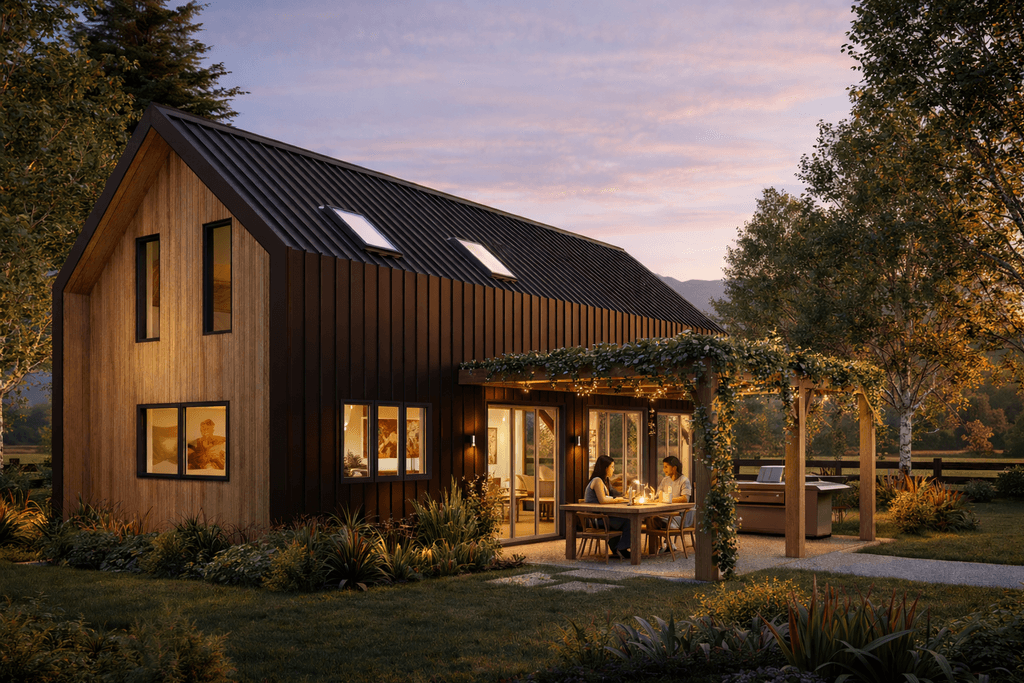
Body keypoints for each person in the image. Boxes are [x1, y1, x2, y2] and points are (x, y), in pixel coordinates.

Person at [584, 455, 631, 559]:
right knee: (629, 520)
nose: (613, 469)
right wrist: (619, 500)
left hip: (603, 517)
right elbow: (603, 500)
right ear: (605, 468)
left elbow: (617, 495)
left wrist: (625, 496)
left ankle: (616, 548)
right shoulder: (597, 481)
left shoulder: (606, 482)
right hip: (597, 519)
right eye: (612, 467)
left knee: (622, 520)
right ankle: (622, 548)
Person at [653, 455, 693, 552]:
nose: (664, 469)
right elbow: (658, 496)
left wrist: (667, 500)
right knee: (651, 518)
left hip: (679, 514)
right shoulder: (665, 480)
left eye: (666, 466)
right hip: (664, 512)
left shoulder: (684, 481)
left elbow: (685, 499)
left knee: (656, 519)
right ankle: (664, 544)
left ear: (674, 468)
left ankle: (667, 542)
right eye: (663, 466)